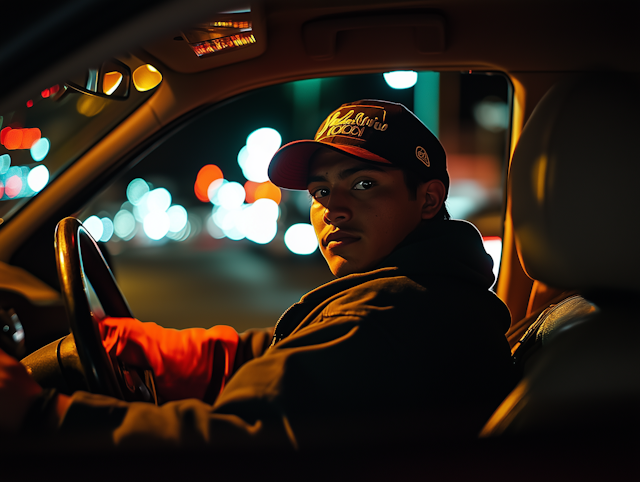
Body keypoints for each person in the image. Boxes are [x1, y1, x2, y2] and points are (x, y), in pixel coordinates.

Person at [0, 99, 514, 450]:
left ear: (427, 198)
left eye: (362, 183)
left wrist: (38, 417)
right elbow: (299, 355)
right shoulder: (415, 292)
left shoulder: (395, 314)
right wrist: (173, 353)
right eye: (319, 192)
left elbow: (238, 442)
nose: (332, 208)